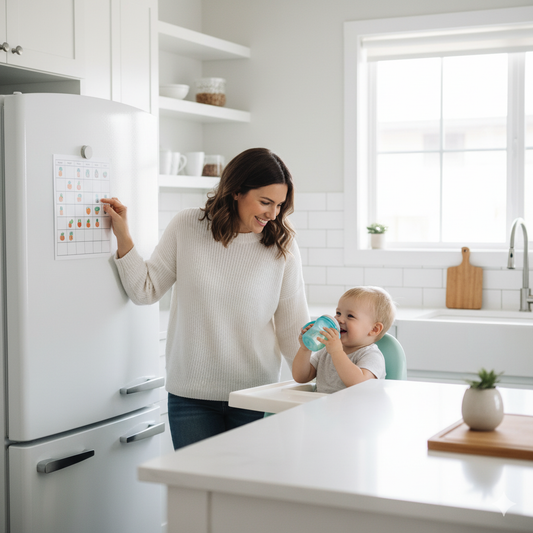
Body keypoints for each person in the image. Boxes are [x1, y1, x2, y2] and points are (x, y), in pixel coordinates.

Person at [102, 147, 309, 449]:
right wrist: (123, 235)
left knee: (244, 494)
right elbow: (145, 290)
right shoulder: (187, 226)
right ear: (237, 191)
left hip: (256, 396)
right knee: (196, 493)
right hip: (190, 398)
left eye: (279, 205)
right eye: (265, 202)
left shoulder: (281, 246)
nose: (273, 214)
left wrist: (331, 378)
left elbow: (294, 335)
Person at [292, 286, 396, 393]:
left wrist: (337, 352)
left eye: (350, 316)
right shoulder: (327, 350)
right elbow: (301, 377)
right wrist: (305, 349)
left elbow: (360, 385)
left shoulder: (372, 356)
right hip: (323, 406)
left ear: (374, 329)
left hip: (354, 409)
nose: (339, 319)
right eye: (338, 313)